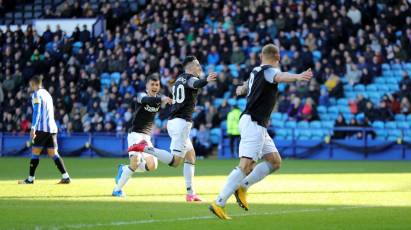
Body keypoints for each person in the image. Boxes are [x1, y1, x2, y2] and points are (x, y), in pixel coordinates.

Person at [209, 44, 313, 219]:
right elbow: (280, 76)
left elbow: (245, 87)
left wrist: (241, 89)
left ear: (261, 56)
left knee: (274, 162)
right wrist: (298, 76)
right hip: (254, 123)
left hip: (257, 124)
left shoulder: (255, 71)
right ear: (277, 56)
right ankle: (219, 203)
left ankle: (243, 186)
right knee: (246, 165)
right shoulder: (270, 70)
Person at [128, 56, 217, 202]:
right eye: (198, 65)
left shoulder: (178, 80)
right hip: (181, 124)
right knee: (175, 162)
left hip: (176, 121)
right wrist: (206, 80)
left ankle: (190, 193)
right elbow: (196, 83)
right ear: (190, 67)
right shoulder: (189, 78)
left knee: (191, 155)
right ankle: (144, 148)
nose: (200, 68)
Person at [112, 75, 172, 197]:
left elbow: (163, 99)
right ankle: (117, 190)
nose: (154, 87)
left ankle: (124, 169)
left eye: (157, 85)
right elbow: (147, 100)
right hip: (135, 134)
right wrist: (163, 99)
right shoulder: (141, 96)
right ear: (147, 86)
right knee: (135, 161)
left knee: (152, 165)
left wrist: (167, 99)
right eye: (152, 84)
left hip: (146, 137)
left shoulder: (158, 99)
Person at [18, 75, 71, 184]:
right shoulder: (47, 94)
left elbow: (36, 111)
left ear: (33, 84)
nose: (30, 87)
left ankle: (30, 179)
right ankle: (66, 177)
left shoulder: (36, 95)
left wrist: (33, 128)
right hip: (52, 128)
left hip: (42, 128)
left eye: (30, 85)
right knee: (53, 153)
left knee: (35, 152)